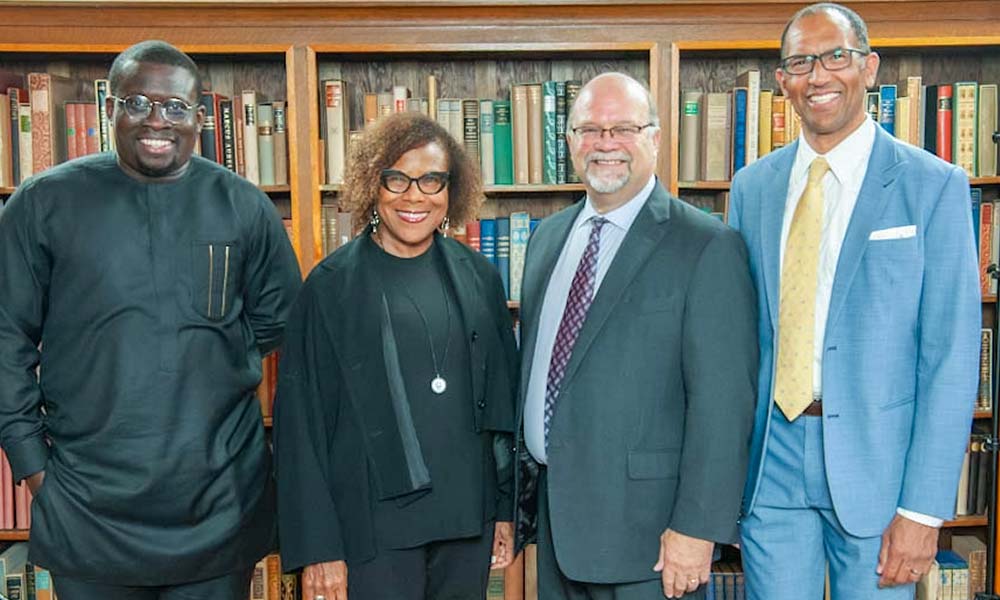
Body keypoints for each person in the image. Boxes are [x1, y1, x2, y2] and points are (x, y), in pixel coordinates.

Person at [0, 40, 302, 599]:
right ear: (108, 109)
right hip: (87, 502)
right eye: (136, 103)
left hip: (218, 499)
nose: (156, 121)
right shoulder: (42, 203)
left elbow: (281, 320)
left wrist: (205, 355)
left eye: (175, 107)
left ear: (201, 118)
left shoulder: (243, 205)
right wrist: (33, 466)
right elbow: (5, 339)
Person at [729, 4, 980, 598]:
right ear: (783, 81)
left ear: (869, 68)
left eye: (835, 57)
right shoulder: (753, 188)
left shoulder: (934, 185)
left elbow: (950, 354)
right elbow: (737, 337)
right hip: (772, 463)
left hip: (881, 468)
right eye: (799, 62)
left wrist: (923, 509)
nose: (818, 75)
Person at [513, 72, 758, 600]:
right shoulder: (546, 240)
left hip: (650, 540)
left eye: (623, 128)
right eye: (590, 129)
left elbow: (724, 401)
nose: (606, 143)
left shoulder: (705, 245)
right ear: (571, 141)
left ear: (654, 137)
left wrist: (698, 528)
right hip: (557, 527)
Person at [274, 111, 518, 600]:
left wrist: (504, 513)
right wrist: (320, 548)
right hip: (371, 529)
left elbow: (502, 406)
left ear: (451, 190)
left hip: (466, 522)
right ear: (373, 185)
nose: (415, 196)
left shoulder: (479, 277)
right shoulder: (329, 288)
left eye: (431, 180)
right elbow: (299, 428)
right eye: (397, 179)